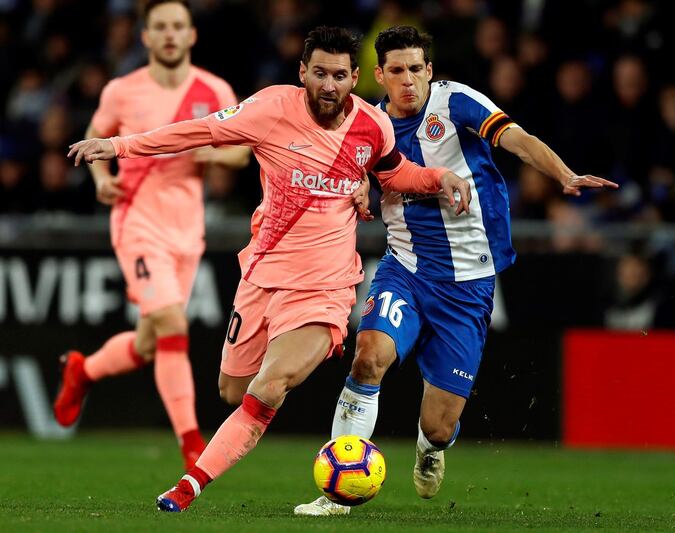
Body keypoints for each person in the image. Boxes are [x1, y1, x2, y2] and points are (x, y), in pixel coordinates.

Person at [67, 25, 472, 513]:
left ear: (355, 76)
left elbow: (394, 172)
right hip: (262, 275)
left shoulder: (373, 126)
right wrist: (121, 146)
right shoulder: (269, 109)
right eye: (319, 73)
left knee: (268, 388)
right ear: (303, 72)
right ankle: (286, 363)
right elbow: (202, 130)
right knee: (232, 390)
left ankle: (188, 486)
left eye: (339, 75)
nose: (328, 84)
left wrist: (436, 177)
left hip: (325, 287)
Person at [294, 26, 617, 516]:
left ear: (430, 71)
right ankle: (336, 494)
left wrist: (563, 174)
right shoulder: (366, 123)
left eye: (416, 69)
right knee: (368, 356)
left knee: (440, 425)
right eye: (396, 70)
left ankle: (431, 450)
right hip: (405, 267)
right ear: (379, 75)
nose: (408, 80)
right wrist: (359, 189)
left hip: (468, 283)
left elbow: (519, 139)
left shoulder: (457, 103)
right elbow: (353, 173)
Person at [53, 0, 250, 471]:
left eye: (177, 26)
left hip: (187, 229)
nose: (169, 35)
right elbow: (95, 136)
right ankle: (192, 444)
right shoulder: (123, 91)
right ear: (145, 37)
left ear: (191, 35)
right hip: (136, 222)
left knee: (148, 344)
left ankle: (84, 369)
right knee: (172, 327)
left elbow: (242, 152)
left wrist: (205, 153)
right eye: (159, 27)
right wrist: (102, 182)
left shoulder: (213, 89)